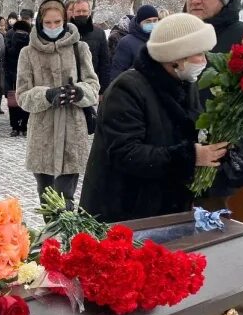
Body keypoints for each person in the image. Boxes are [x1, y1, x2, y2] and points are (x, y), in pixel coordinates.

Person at [81, 14, 224, 221]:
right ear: (176, 56)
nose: (204, 61)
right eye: (199, 54)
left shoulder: (183, 82)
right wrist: (190, 157)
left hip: (165, 208)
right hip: (126, 214)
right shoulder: (127, 89)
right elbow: (126, 154)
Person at [184, 0, 243, 209]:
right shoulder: (179, 32)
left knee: (207, 229)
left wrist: (240, 156)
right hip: (178, 153)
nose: (195, 0)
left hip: (219, 155)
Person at [16, 0, 100, 206]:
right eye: (48, 23)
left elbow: (93, 86)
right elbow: (22, 96)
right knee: (47, 200)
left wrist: (79, 93)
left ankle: (66, 238)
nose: (53, 27)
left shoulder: (79, 49)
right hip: (42, 136)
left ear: (64, 20)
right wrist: (46, 95)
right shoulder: (28, 53)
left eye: (57, 22)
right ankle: (52, 238)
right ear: (39, 22)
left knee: (65, 200)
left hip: (72, 133)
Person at [67, 0, 111, 94]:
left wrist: (103, 90)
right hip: (68, 86)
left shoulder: (99, 33)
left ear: (89, 12)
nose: (81, 14)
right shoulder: (65, 32)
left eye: (84, 11)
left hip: (91, 87)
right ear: (73, 13)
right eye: (78, 11)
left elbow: (105, 63)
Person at [110, 5, 158, 80]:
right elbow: (117, 73)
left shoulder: (160, 40)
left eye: (155, 21)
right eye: (148, 21)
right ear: (139, 22)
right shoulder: (126, 42)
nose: (152, 24)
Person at [4, 18, 31, 137]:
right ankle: (24, 126)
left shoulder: (10, 38)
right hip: (27, 75)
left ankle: (15, 126)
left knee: (13, 101)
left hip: (12, 74)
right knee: (26, 101)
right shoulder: (31, 40)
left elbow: (6, 57)